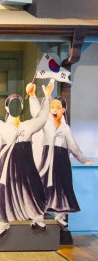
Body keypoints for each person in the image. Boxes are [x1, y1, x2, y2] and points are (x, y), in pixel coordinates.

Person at [0, 79, 54, 237]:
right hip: (7, 165)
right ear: (7, 108)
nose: (16, 106)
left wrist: (41, 96)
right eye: (12, 103)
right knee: (3, 192)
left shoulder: (28, 125)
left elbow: (42, 118)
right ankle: (3, 225)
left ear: (22, 107)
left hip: (26, 163)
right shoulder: (3, 126)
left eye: (18, 103)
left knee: (33, 188)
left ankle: (38, 218)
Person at [27, 84, 94, 228]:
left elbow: (73, 147)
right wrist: (33, 96)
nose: (54, 110)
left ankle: (60, 215)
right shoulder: (46, 123)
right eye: (52, 107)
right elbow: (37, 113)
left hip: (62, 160)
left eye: (58, 107)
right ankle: (38, 217)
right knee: (41, 185)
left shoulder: (65, 129)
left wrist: (84, 160)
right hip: (48, 158)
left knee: (63, 187)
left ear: (63, 110)